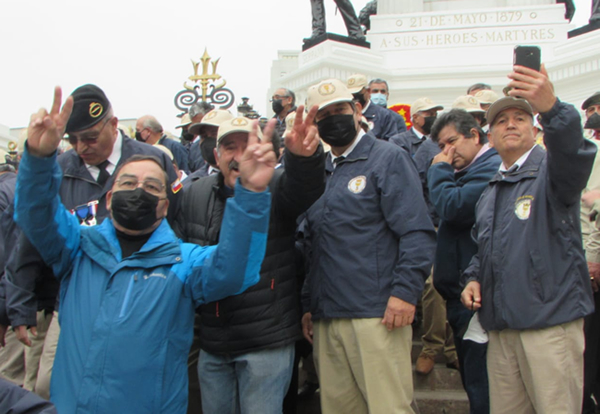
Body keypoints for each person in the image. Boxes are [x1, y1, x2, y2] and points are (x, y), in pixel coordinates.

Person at [16, 86, 274, 414]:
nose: (138, 190)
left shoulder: (182, 263)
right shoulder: (78, 247)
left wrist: (251, 193)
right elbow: (37, 213)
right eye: (127, 183)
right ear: (110, 198)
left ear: (165, 206)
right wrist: (39, 160)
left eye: (152, 186)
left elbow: (234, 269)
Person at [5, 83, 182, 400]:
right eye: (72, 139)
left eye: (89, 137)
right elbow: (33, 232)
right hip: (75, 294)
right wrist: (19, 303)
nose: (80, 147)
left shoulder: (152, 160)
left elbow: (177, 224)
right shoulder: (61, 167)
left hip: (141, 292)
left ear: (113, 124)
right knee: (48, 384)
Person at [461, 64, 596, 413]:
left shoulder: (552, 173)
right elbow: (485, 248)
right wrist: (473, 277)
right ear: (489, 138)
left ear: (536, 130)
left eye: (520, 118)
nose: (510, 124)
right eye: (501, 120)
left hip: (549, 326)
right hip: (501, 330)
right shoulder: (490, 191)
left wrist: (552, 109)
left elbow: (573, 152)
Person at [175, 110, 325, 414]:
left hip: (265, 341)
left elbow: (305, 187)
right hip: (212, 341)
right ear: (216, 156)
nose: (239, 156)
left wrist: (303, 159)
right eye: (230, 147)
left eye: (248, 146)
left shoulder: (276, 184)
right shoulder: (194, 193)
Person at [301, 78, 436, 413]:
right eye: (323, 115)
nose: (333, 119)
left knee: (389, 407)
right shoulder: (318, 171)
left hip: (377, 314)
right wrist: (309, 303)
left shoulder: (388, 158)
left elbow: (416, 231)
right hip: (328, 316)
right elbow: (312, 244)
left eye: (340, 109)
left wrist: (405, 292)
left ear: (358, 110)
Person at [427, 108, 501, 413]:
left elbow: (453, 206)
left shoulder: (490, 167)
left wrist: (438, 170)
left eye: (452, 141)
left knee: (483, 385)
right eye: (441, 146)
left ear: (474, 135)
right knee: (474, 382)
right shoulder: (466, 170)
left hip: (478, 295)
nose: (447, 151)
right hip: (461, 296)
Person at [184, 109, 233, 184]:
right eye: (204, 136)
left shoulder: (249, 179)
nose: (208, 141)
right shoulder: (190, 185)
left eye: (215, 134)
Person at [347, 74, 400, 141]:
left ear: (368, 91)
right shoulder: (345, 114)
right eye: (351, 94)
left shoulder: (384, 115)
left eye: (358, 93)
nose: (354, 97)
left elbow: (391, 143)